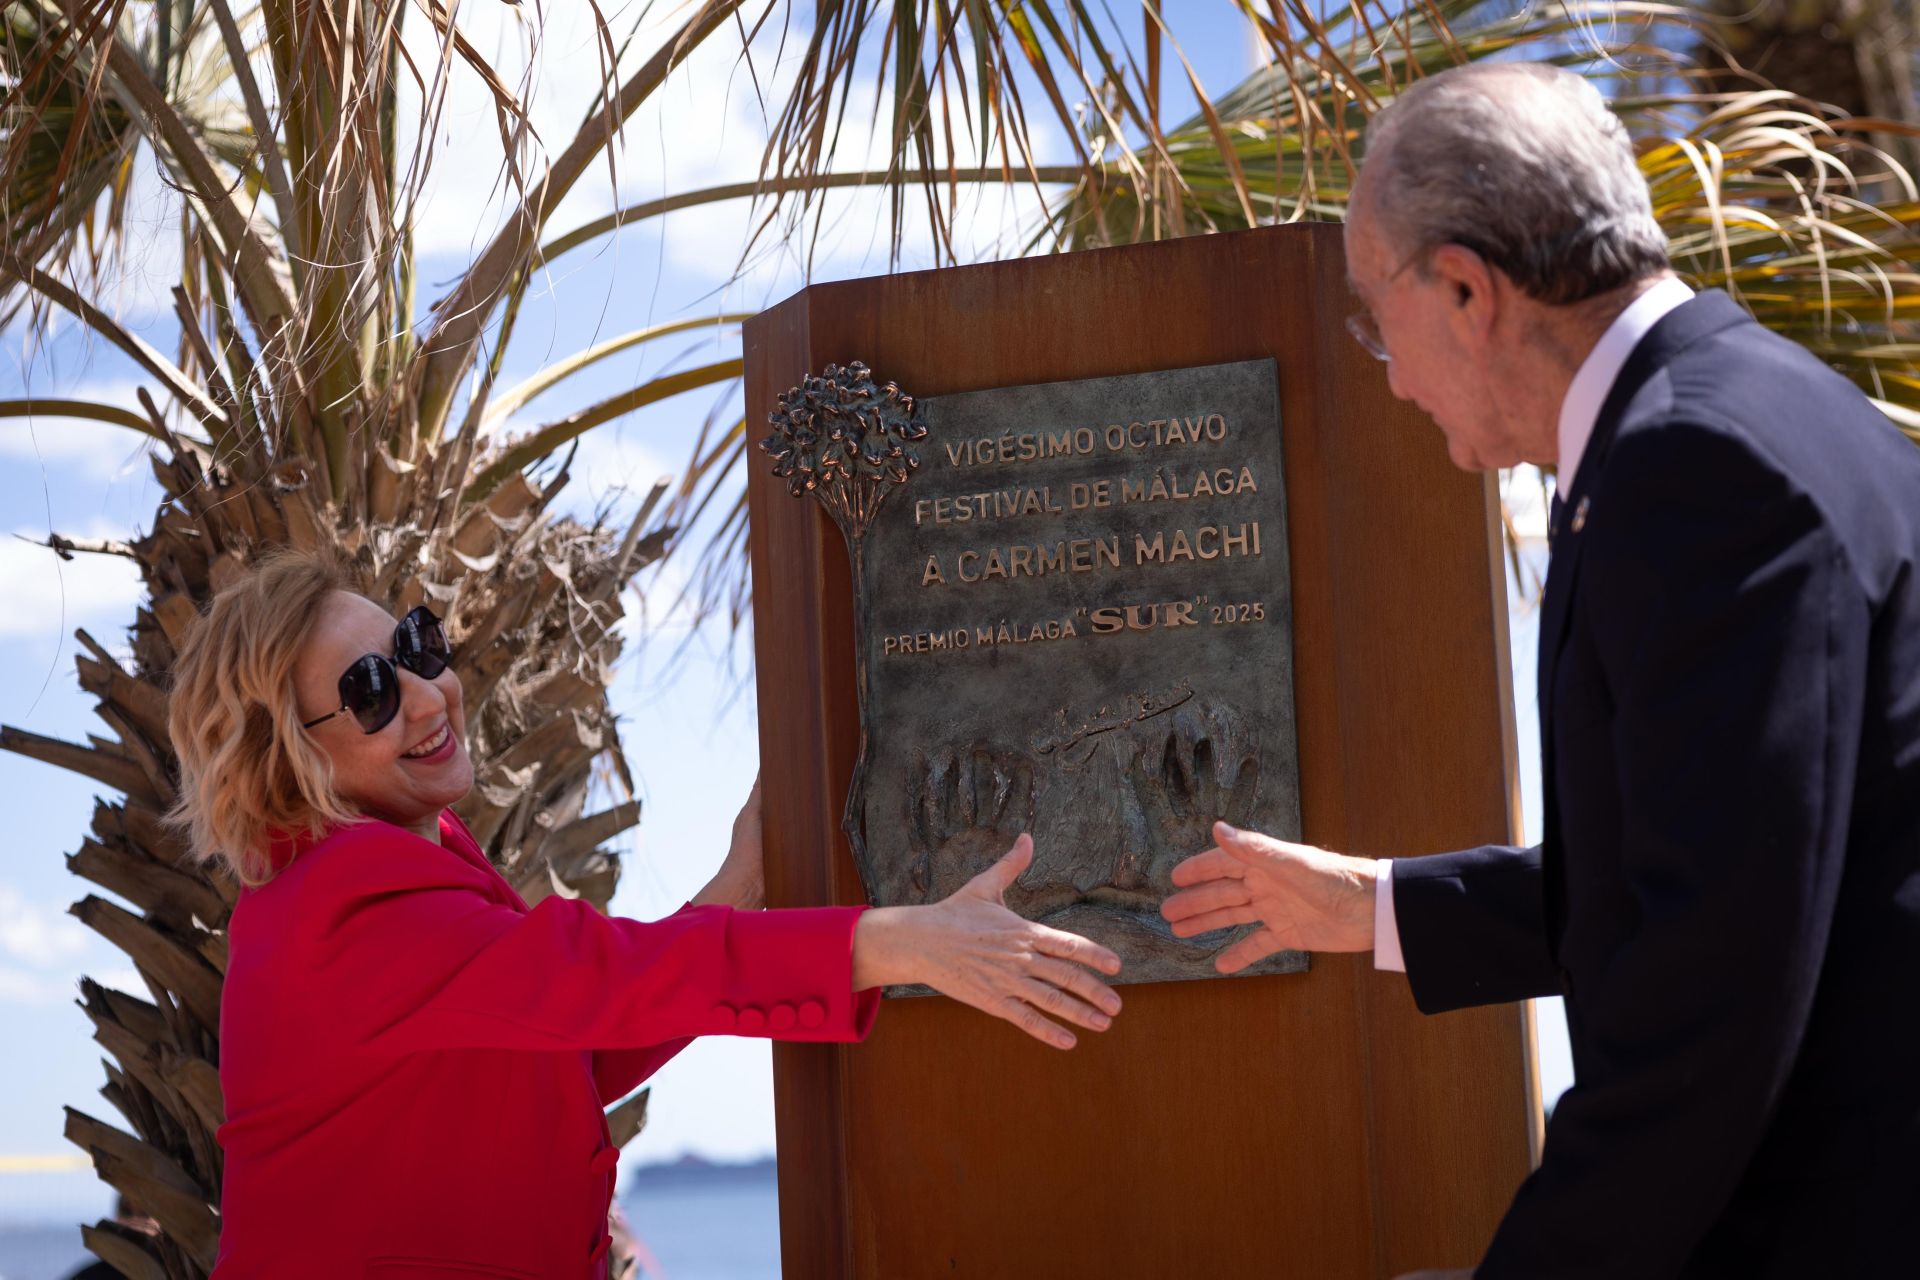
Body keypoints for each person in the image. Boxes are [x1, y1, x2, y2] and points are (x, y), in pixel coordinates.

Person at [1162, 61, 1920, 1278]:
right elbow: (1717, 858)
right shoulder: (1721, 420)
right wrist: (1377, 906)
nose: (1393, 376)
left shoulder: (1695, 467)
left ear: (1466, 287)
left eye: (1374, 317)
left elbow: (1710, 998)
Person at [169, 550, 1124, 1278]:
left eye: (415, 647)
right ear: (281, 758)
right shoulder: (349, 899)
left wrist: (736, 888)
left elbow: (563, 1045)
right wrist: (906, 942)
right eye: (371, 694)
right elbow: (599, 977)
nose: (428, 696)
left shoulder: (402, 861)